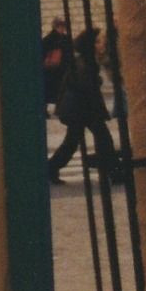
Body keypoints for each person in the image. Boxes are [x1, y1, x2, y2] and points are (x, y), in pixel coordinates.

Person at [48, 26, 117, 185]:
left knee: (73, 142)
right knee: (103, 138)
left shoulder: (86, 59)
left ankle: (51, 168)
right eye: (98, 41)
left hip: (79, 108)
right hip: (81, 108)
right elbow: (85, 85)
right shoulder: (84, 61)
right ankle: (113, 171)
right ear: (90, 43)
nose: (101, 44)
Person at [40, 17, 73, 119]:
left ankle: (57, 110)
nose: (62, 28)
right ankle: (56, 110)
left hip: (54, 70)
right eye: (61, 26)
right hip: (56, 70)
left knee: (54, 91)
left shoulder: (49, 39)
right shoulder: (61, 39)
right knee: (56, 91)